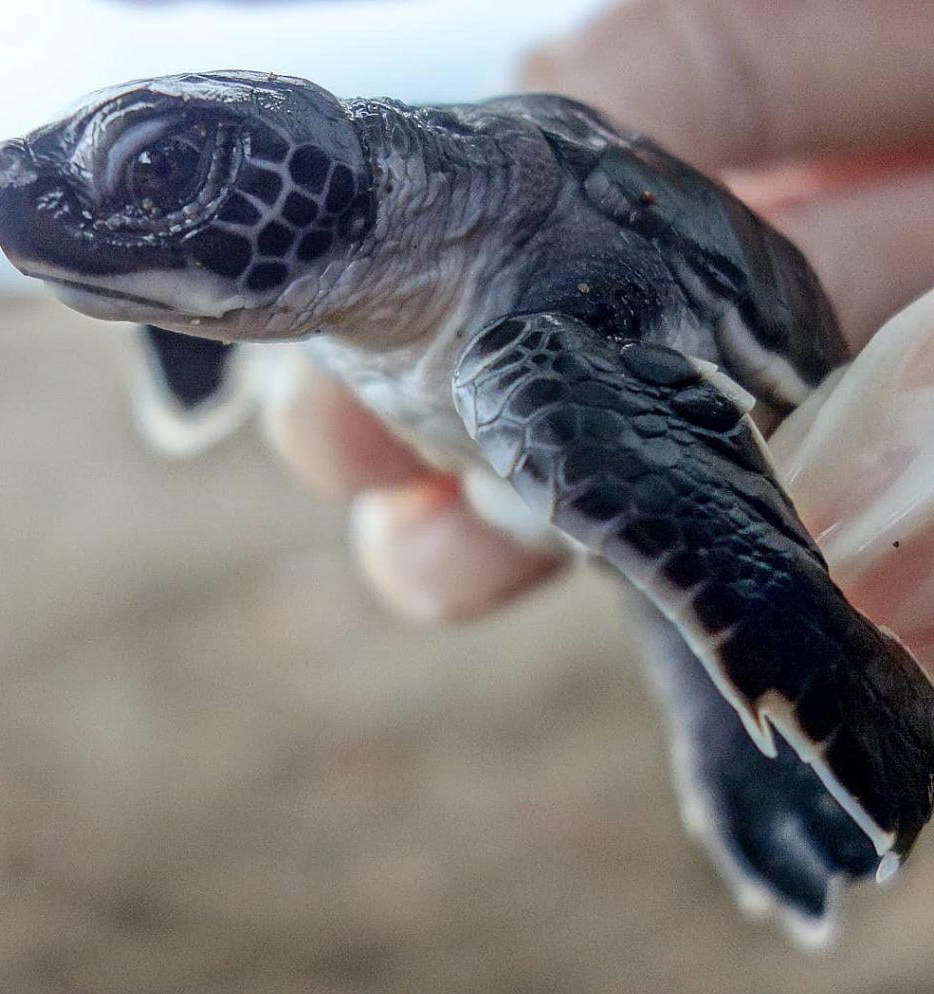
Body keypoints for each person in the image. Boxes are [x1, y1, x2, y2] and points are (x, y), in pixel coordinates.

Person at [259, 0, 934, 656]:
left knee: (534, 401)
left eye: (167, 171)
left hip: (701, 423)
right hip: (568, 478)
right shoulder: (323, 297)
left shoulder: (527, 331)